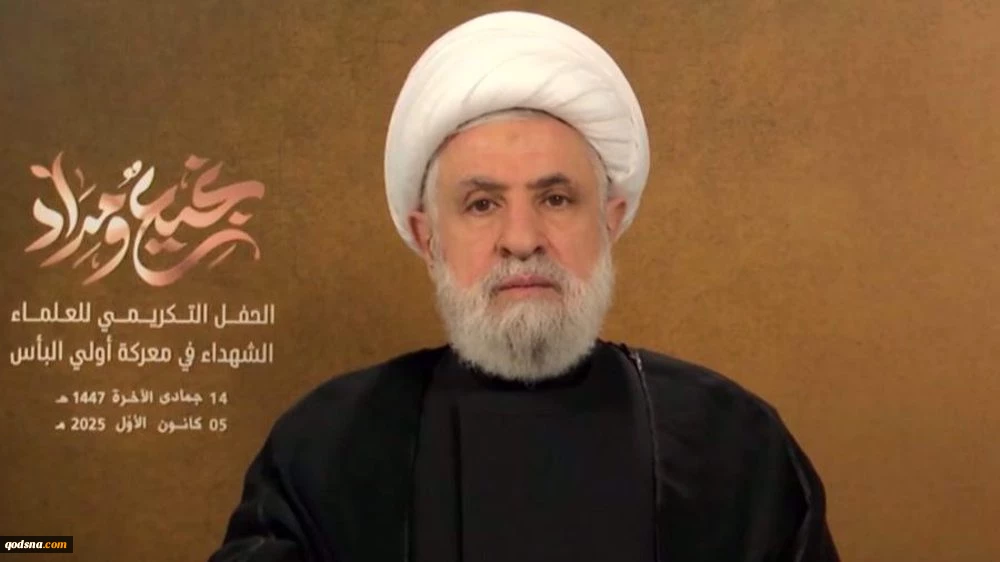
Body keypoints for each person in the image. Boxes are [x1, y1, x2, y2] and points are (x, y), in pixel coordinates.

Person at [209, 10, 839, 562]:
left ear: (610, 222)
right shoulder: (328, 450)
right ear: (429, 239)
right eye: (481, 204)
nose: (521, 238)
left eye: (556, 198)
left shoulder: (732, 446)